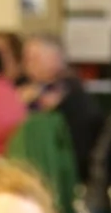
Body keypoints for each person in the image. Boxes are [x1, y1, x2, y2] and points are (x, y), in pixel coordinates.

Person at [17, 33, 99, 176]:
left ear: (55, 59)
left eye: (33, 59)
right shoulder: (23, 87)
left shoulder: (71, 92)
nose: (26, 65)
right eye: (26, 59)